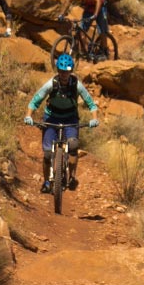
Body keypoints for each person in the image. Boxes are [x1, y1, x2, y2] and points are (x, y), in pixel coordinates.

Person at [24, 53, 99, 193]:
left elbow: (91, 104)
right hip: (51, 118)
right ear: (58, 71)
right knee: (47, 154)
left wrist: (94, 118)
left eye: (67, 71)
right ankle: (47, 182)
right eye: (62, 71)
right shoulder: (51, 84)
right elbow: (35, 101)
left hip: (70, 118)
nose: (64, 74)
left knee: (73, 146)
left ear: (71, 71)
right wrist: (28, 116)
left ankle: (71, 177)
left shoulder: (76, 85)